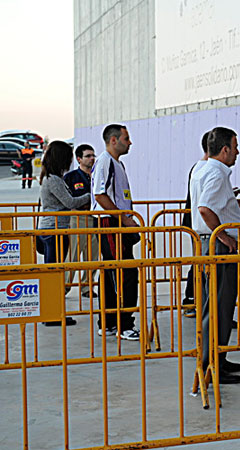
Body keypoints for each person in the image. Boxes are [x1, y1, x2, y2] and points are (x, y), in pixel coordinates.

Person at [190, 126, 240, 384]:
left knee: (215, 304)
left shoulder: (203, 168)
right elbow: (204, 208)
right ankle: (212, 362)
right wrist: (223, 235)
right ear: (224, 150)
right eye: (235, 147)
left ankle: (216, 357)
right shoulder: (216, 173)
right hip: (217, 246)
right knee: (219, 305)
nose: (237, 152)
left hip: (209, 242)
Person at [92, 124, 141, 341]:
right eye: (126, 138)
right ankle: (123, 323)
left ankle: (111, 322)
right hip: (110, 224)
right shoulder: (105, 162)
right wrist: (123, 219)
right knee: (122, 272)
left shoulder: (116, 164)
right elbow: (99, 195)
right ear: (114, 140)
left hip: (116, 223)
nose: (129, 142)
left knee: (116, 270)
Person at [38, 141, 91, 327]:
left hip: (55, 229)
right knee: (54, 273)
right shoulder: (53, 179)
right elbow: (70, 202)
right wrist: (92, 195)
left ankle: (54, 312)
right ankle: (52, 314)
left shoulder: (53, 177)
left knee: (56, 272)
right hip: (54, 230)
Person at [180, 131, 210, 318]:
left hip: (196, 221)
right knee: (202, 262)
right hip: (201, 223)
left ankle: (193, 299)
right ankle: (193, 299)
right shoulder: (206, 168)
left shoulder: (198, 167)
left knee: (199, 261)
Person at [63, 144, 99, 298]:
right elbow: (69, 200)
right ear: (79, 159)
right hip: (78, 218)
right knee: (74, 255)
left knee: (93, 255)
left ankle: (87, 287)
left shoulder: (97, 175)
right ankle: (64, 287)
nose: (92, 159)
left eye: (93, 156)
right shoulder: (71, 177)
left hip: (95, 218)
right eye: (88, 156)